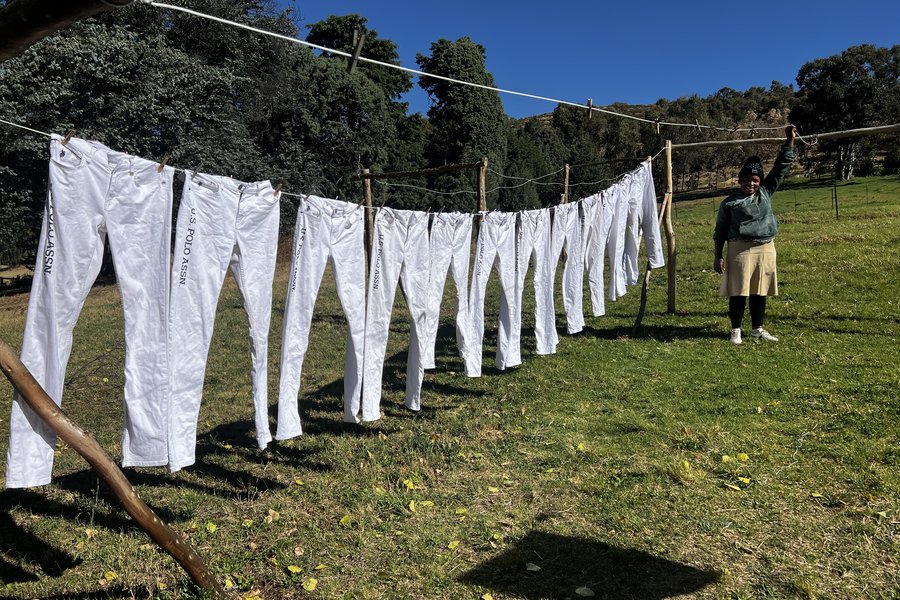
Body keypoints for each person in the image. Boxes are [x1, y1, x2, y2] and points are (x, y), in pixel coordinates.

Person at [713, 125, 797, 344]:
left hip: (765, 247)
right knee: (738, 291)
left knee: (760, 290)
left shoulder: (765, 193)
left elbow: (781, 167)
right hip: (739, 249)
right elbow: (720, 231)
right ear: (739, 180)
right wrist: (718, 255)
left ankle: (757, 328)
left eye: (755, 180)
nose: (750, 183)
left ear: (760, 183)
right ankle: (736, 330)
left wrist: (789, 141)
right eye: (746, 179)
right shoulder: (729, 203)